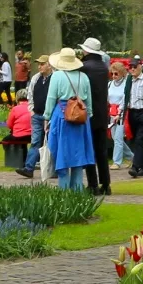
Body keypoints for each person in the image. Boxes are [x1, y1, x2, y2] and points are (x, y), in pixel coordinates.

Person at [41, 49, 95, 191]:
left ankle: (64, 191)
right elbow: (88, 101)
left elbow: (51, 99)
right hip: (80, 116)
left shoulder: (57, 76)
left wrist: (46, 118)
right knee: (78, 155)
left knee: (62, 154)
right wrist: (86, 116)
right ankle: (77, 191)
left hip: (62, 115)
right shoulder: (84, 77)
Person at [78, 38, 112, 195]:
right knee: (101, 151)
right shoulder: (103, 67)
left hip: (89, 113)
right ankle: (106, 184)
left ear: (86, 51)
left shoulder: (85, 67)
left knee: (88, 149)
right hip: (102, 113)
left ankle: (92, 184)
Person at [15, 58, 55, 179]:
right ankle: (29, 168)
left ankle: (55, 169)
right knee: (35, 142)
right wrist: (31, 110)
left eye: (42, 64)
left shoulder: (55, 78)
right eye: (38, 64)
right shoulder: (35, 78)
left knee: (53, 142)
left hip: (51, 116)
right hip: (37, 115)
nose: (39, 67)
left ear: (49, 65)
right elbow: (30, 94)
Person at [106, 63, 132, 170]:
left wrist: (119, 113)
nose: (113, 76)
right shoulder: (110, 84)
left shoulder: (126, 84)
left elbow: (125, 99)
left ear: (122, 73)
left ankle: (117, 162)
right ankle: (132, 157)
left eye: (116, 74)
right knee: (114, 137)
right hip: (112, 112)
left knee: (118, 138)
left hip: (122, 113)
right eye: (112, 73)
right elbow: (107, 98)